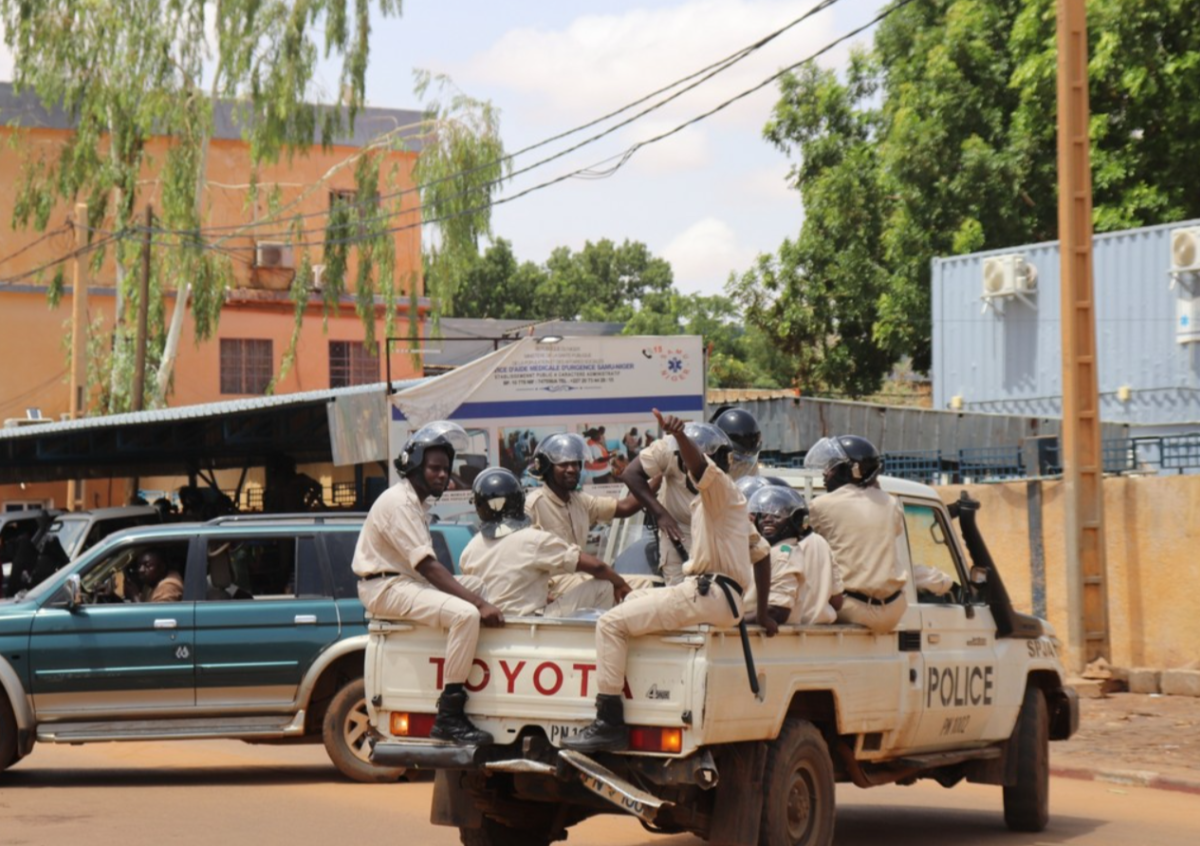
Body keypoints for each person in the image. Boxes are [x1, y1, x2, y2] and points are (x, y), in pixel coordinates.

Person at [565, 411, 775, 753]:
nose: (686, 470)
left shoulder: (718, 487)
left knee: (610, 624)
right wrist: (763, 614)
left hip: (709, 591)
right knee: (631, 603)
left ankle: (608, 721)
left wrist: (679, 436)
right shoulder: (721, 502)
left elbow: (699, 465)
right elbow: (762, 554)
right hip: (721, 597)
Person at [352, 420, 505, 746]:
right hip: (385, 587)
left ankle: (464, 661)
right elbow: (428, 566)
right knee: (466, 613)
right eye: (434, 468)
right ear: (415, 466)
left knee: (476, 585)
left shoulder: (415, 502)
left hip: (402, 581)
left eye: (446, 469)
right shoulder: (400, 502)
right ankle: (449, 716)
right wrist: (479, 605)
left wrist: (477, 597)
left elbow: (428, 570)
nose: (442, 475)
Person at [460, 468, 632, 616]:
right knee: (605, 585)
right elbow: (597, 567)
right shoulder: (533, 539)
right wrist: (620, 583)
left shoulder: (469, 550)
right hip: (533, 624)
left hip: (496, 624)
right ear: (519, 500)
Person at [526, 433, 658, 597]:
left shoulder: (580, 501)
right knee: (616, 587)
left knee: (645, 584)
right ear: (547, 468)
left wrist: (661, 474)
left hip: (577, 582)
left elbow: (626, 507)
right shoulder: (533, 505)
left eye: (575, 464)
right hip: (549, 589)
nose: (571, 469)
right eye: (563, 464)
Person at [805, 435, 908, 634]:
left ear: (853, 470)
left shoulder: (821, 505)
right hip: (894, 608)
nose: (826, 473)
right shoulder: (891, 503)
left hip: (851, 609)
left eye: (832, 467)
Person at [743, 486, 844, 626]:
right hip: (817, 629)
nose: (767, 520)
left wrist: (735, 622)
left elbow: (777, 610)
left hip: (777, 635)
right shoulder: (818, 542)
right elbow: (837, 601)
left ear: (794, 521)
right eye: (763, 515)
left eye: (777, 515)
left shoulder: (781, 553)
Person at [712, 407, 763, 480]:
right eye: (737, 460)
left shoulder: (752, 479)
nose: (743, 466)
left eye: (748, 461)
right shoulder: (708, 477)